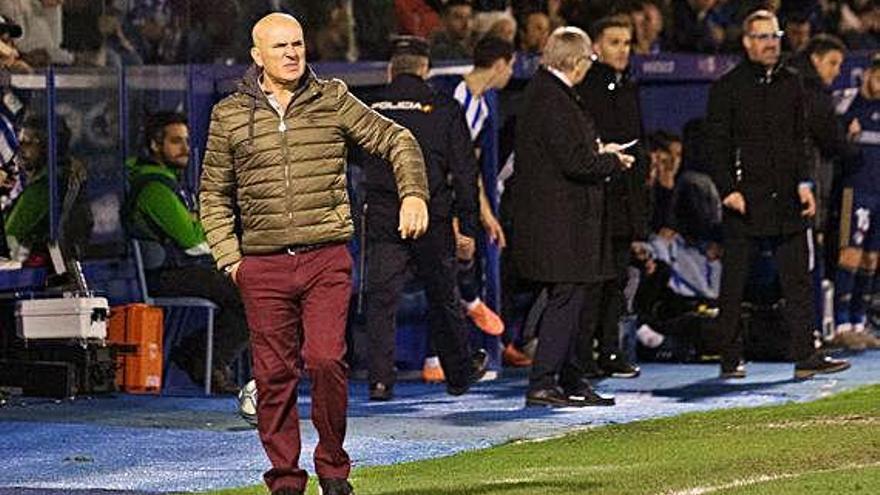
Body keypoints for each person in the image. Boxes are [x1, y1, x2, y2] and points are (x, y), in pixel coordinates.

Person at [199, 13, 429, 495]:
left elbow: (397, 138)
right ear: (256, 56)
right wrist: (231, 260)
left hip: (325, 256)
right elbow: (214, 194)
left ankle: (332, 467)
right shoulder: (229, 115)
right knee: (274, 375)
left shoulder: (333, 99)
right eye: (280, 46)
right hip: (261, 264)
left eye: (298, 44)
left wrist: (414, 194)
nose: (292, 53)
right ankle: (284, 479)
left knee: (326, 360)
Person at [705, 10, 850, 380]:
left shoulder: (792, 82)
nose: (771, 43)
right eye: (763, 37)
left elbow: (800, 140)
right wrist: (729, 190)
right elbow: (716, 146)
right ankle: (730, 357)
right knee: (735, 282)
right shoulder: (728, 87)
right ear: (747, 42)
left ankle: (806, 354)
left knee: (798, 279)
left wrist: (805, 183)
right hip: (745, 199)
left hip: (786, 196)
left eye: (775, 35)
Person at [359, 35, 489, 401]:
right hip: (431, 213)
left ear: (390, 70)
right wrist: (467, 227)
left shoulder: (369, 108)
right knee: (442, 293)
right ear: (425, 69)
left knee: (382, 299)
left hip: (385, 214)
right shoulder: (444, 107)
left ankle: (380, 381)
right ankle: (459, 374)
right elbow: (465, 172)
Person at [511, 26, 633, 407]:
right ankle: (543, 383)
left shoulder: (552, 93)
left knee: (574, 300)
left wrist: (600, 151)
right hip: (559, 224)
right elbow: (574, 162)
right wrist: (611, 160)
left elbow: (571, 151)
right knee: (566, 299)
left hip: (564, 222)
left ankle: (571, 379)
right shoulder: (551, 97)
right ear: (575, 61)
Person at [124, 111, 249, 394]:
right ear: (156, 146)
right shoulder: (154, 187)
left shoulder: (169, 181)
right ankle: (205, 361)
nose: (184, 149)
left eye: (186, 141)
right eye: (175, 142)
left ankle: (197, 355)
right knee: (251, 292)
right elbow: (194, 242)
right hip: (164, 275)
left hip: (183, 269)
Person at [575, 16, 648, 379]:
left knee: (617, 280)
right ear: (597, 47)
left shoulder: (629, 86)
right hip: (596, 199)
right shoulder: (586, 88)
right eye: (615, 42)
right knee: (593, 281)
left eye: (627, 42)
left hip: (623, 201)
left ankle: (610, 350)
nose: (622, 49)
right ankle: (583, 354)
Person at [832, 53, 880, 347]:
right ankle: (840, 323)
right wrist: (843, 131)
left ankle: (860, 321)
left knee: (872, 258)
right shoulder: (847, 102)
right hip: (857, 189)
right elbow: (828, 138)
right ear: (868, 74)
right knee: (849, 252)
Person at [4, 116, 91, 265]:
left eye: (29, 143)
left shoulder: (44, 187)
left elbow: (9, 234)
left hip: (41, 274)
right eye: (20, 142)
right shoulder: (64, 175)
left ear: (50, 146)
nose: (21, 149)